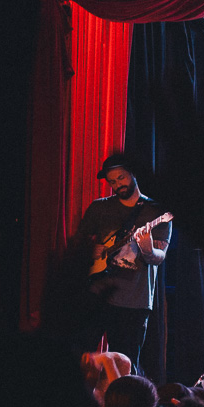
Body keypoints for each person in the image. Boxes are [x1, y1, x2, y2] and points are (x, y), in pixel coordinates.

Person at [77, 154, 171, 374]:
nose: (118, 184)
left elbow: (159, 257)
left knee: (125, 366)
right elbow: (78, 243)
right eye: (112, 181)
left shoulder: (157, 212)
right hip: (97, 294)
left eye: (121, 178)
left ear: (133, 174)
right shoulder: (100, 208)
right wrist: (91, 249)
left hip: (133, 301)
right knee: (81, 359)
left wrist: (148, 249)